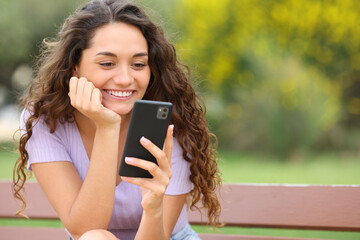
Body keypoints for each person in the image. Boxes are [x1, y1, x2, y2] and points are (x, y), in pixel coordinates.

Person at [12, 0, 222, 239]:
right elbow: (86, 229)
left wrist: (153, 207)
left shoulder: (171, 119)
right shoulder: (45, 120)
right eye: (107, 64)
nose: (124, 79)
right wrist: (107, 127)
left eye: (138, 64)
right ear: (75, 68)